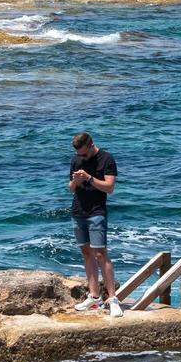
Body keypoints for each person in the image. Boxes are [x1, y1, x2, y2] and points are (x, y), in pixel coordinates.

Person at [68, 131, 121, 317]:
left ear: (91, 145)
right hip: (78, 212)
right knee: (86, 252)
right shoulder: (76, 160)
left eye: (83, 153)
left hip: (96, 212)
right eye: (79, 154)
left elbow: (110, 187)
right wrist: (75, 181)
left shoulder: (106, 159)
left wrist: (89, 178)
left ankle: (113, 299)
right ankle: (94, 297)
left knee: (100, 253)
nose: (81, 157)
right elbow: (70, 189)